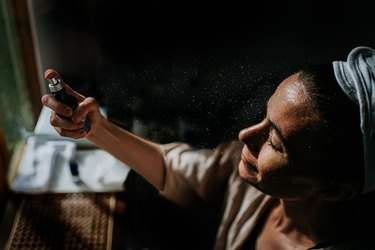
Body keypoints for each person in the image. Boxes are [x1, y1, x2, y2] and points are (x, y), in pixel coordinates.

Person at [41, 46, 375, 249]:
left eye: (275, 140)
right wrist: (96, 129)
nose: (246, 135)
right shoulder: (265, 187)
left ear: (334, 189)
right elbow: (174, 170)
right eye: (264, 117)